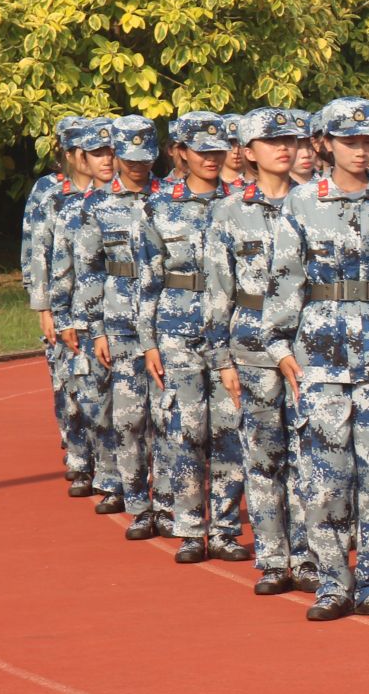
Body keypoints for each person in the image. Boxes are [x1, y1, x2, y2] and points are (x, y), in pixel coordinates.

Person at [268, 96, 369, 622]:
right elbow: (284, 276)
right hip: (318, 353)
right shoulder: (301, 202)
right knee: (324, 476)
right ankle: (332, 582)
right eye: (349, 141)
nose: (361, 150)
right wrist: (278, 345)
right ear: (325, 144)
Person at [207, 107, 316, 596]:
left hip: (307, 341)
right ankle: (273, 558)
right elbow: (218, 290)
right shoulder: (229, 211)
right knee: (263, 455)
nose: (284, 149)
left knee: (309, 455)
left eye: (290, 141)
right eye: (271, 142)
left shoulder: (316, 201)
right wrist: (221, 358)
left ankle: (309, 556)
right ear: (248, 152)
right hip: (250, 343)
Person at [148, 112, 247, 563]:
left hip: (229, 328)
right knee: (187, 429)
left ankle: (224, 528)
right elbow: (146, 279)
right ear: (180, 152)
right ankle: (190, 528)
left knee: (229, 430)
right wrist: (148, 341)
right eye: (201, 150)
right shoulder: (158, 205)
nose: (211, 158)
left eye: (218, 149)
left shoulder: (242, 203)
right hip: (177, 327)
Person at [67, 116, 165, 538]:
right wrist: (96, 328)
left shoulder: (171, 198)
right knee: (128, 418)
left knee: (168, 420)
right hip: (120, 321)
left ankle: (168, 504)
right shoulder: (97, 205)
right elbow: (88, 269)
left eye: (146, 158)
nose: (139, 166)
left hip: (166, 322)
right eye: (131, 158)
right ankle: (137, 501)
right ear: (118, 154)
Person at [23, 117, 93, 495]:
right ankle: (78, 454)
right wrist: (44, 307)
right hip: (63, 298)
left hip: (102, 303)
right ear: (67, 152)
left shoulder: (111, 190)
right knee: (67, 381)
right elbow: (37, 250)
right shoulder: (49, 191)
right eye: (81, 149)